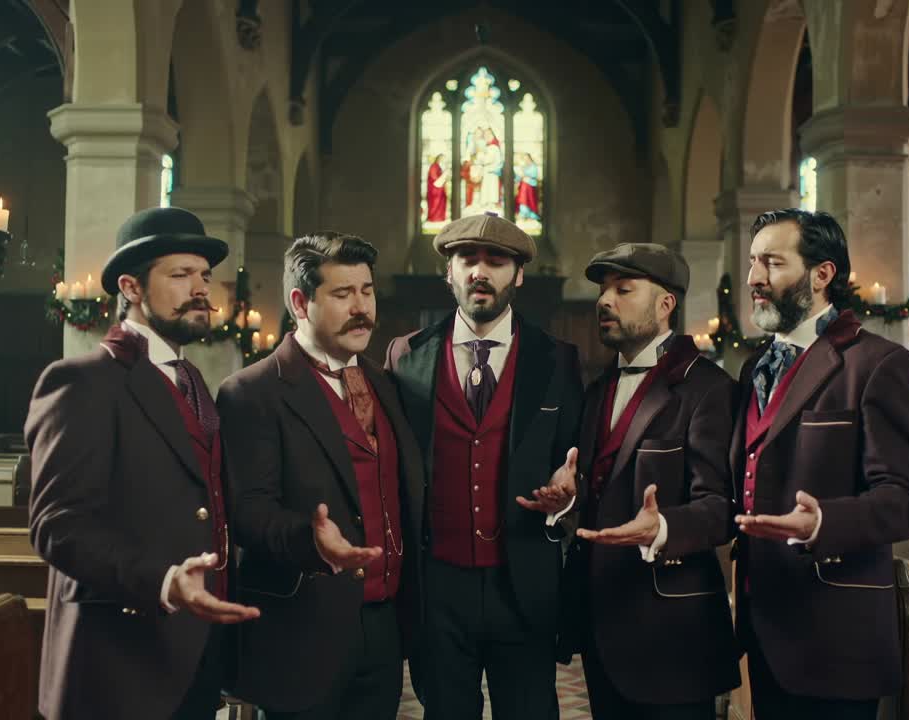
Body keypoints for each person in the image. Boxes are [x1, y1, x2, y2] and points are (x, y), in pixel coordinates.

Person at [26, 206, 260, 720]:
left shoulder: (189, 379)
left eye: (204, 276)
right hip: (119, 660)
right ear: (131, 287)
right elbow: (57, 527)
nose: (201, 288)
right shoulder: (83, 381)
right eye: (180, 275)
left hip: (194, 653)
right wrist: (162, 581)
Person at [732, 208, 909, 719]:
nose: (755, 278)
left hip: (835, 633)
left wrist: (824, 522)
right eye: (753, 262)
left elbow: (907, 501)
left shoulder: (879, 363)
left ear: (822, 275)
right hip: (764, 625)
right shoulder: (754, 366)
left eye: (773, 263)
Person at [218, 233, 425, 719]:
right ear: (300, 302)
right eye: (342, 294)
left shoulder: (385, 383)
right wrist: (310, 540)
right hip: (300, 627)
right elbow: (248, 511)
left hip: (383, 626)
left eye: (367, 291)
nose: (362, 307)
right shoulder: (252, 392)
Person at [385, 213, 583, 719]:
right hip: (438, 586)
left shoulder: (558, 359)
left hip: (523, 583)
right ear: (448, 272)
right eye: (467, 259)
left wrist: (567, 498)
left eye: (496, 261)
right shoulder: (406, 356)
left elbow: (575, 461)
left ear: (518, 275)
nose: (480, 271)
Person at [552, 242, 740, 719]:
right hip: (602, 625)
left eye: (623, 289)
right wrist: (564, 503)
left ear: (665, 304)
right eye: (602, 291)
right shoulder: (596, 392)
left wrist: (662, 528)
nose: (603, 301)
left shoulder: (709, 390)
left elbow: (720, 508)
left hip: (674, 632)